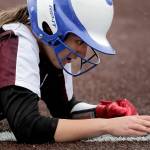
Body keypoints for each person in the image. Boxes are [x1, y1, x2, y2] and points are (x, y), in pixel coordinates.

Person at [0, 0, 150, 144]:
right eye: (79, 41)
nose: (83, 54)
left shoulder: (52, 48)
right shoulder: (16, 41)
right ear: (50, 27)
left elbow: (65, 109)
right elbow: (27, 127)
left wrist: (103, 112)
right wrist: (106, 126)